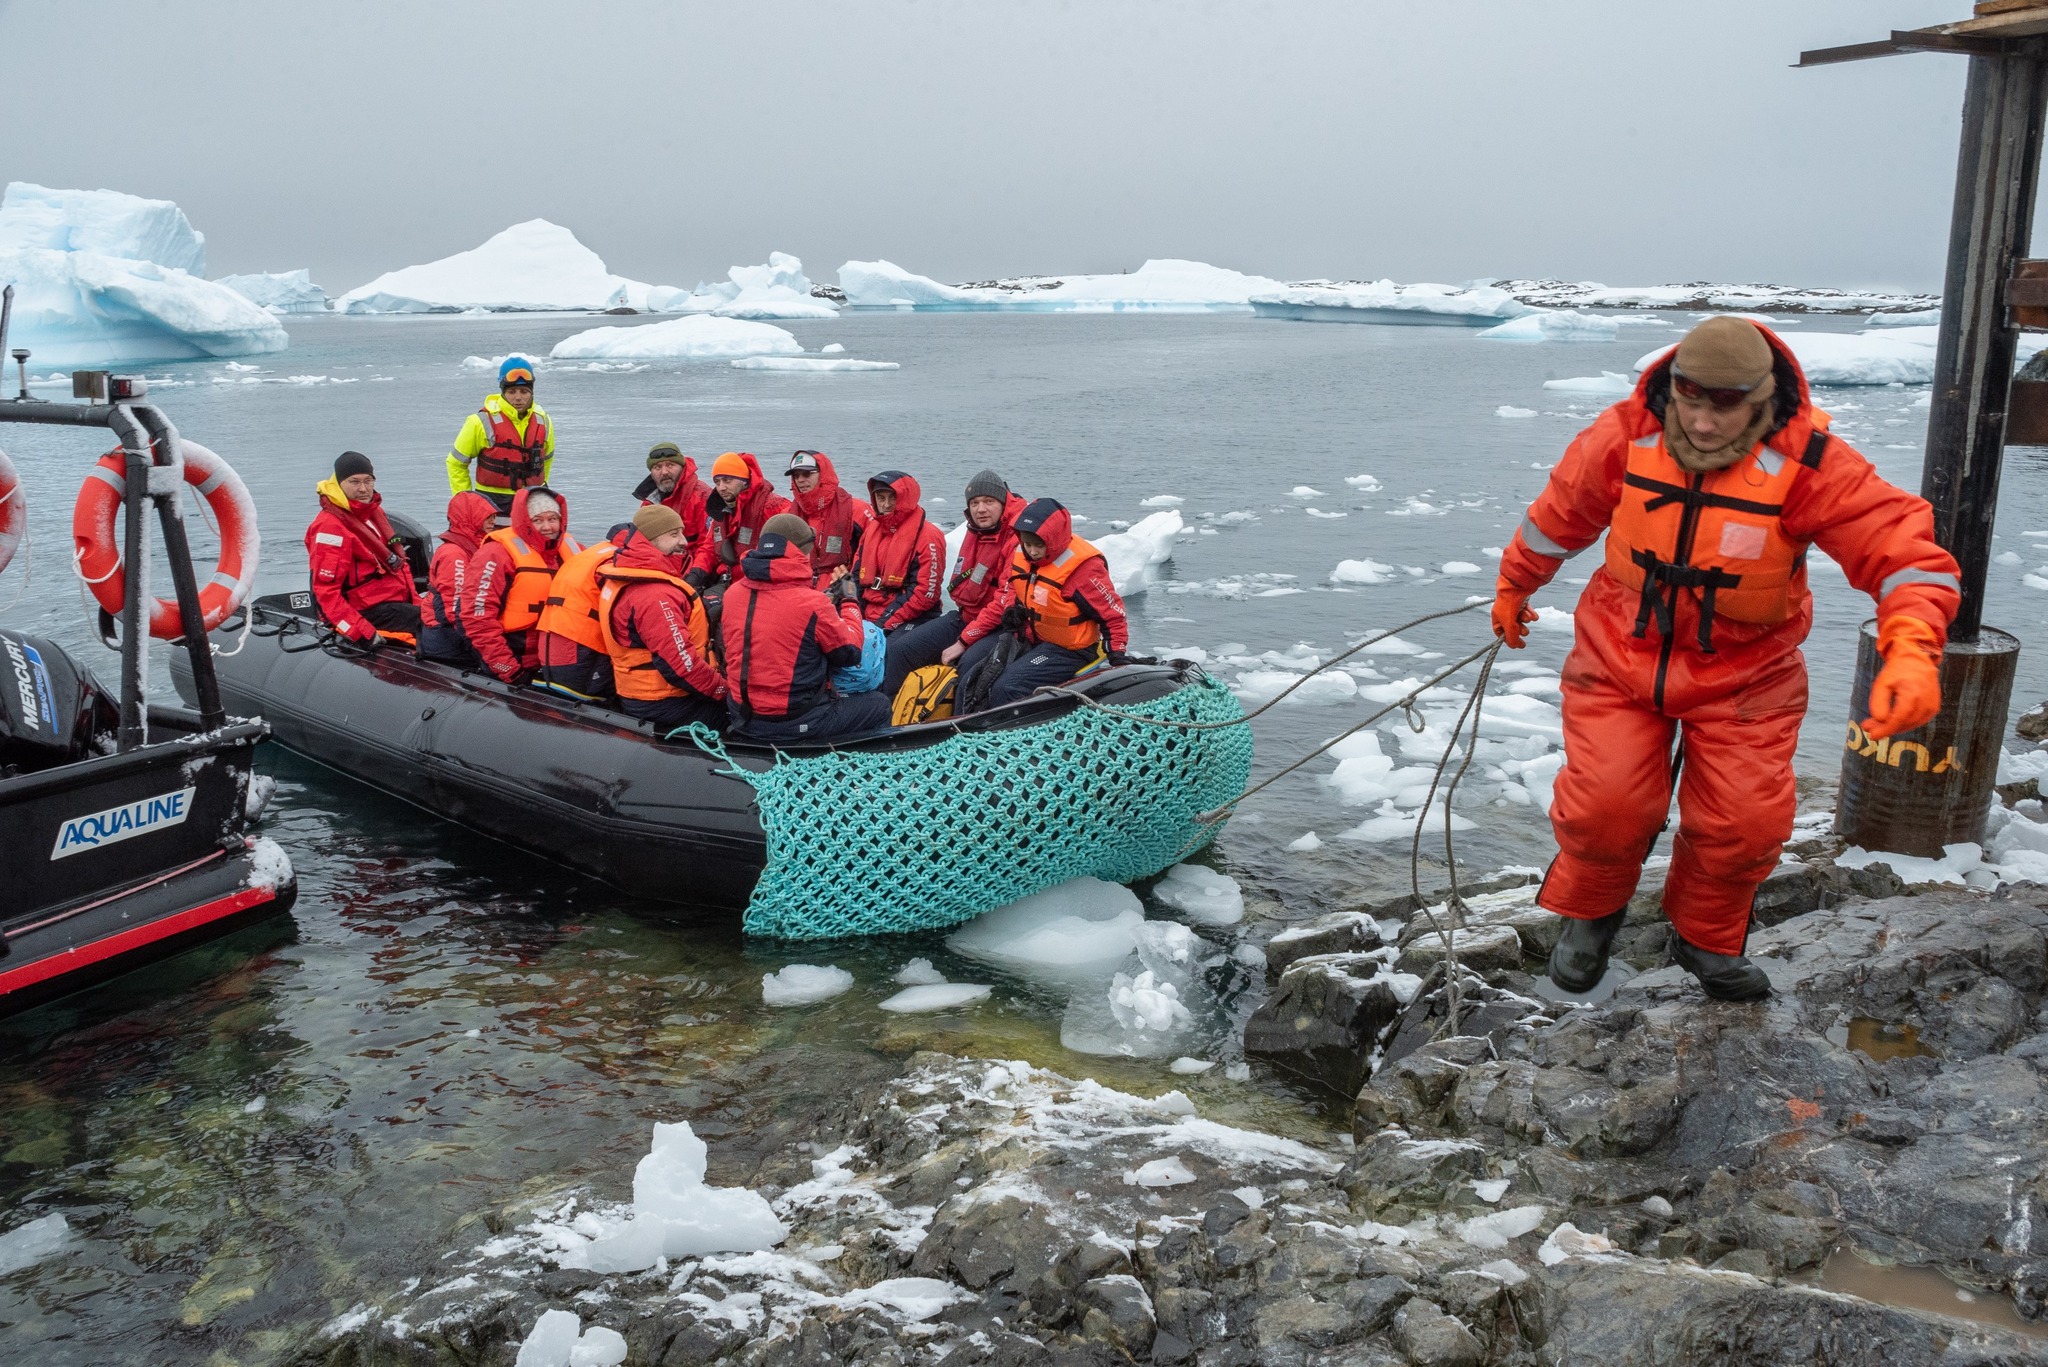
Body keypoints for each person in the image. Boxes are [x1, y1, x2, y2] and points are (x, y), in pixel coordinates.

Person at [1494, 317, 1960, 1002]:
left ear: (1762, 397)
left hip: (1747, 670)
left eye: (1727, 402)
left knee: (1745, 822)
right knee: (1606, 803)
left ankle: (1705, 936)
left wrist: (1914, 651)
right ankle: (1593, 911)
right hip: (1623, 648)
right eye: (1691, 397)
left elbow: (1905, 553)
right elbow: (1558, 515)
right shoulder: (1623, 436)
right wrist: (1515, 583)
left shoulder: (1811, 463)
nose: (1705, 422)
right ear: (1671, 386)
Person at [720, 513, 890, 741]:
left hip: (742, 716)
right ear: (800, 553)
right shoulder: (811, 604)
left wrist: (826, 597)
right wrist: (850, 600)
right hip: (794, 721)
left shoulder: (732, 594)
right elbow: (851, 652)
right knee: (879, 705)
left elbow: (779, 612)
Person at [955, 497, 1129, 707]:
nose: (1033, 551)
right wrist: (1012, 608)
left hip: (1069, 650)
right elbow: (1015, 587)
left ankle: (1008, 735)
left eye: (1039, 545)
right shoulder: (1022, 556)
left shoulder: (1083, 569)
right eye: (1027, 544)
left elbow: (1113, 615)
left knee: (1007, 687)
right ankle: (963, 728)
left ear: (1053, 539)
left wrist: (1117, 655)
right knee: (974, 676)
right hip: (1031, 638)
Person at [885, 469, 1024, 696]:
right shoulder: (977, 529)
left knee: (967, 666)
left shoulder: (1016, 539)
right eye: (975, 502)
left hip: (998, 627)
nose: (981, 509)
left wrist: (963, 641)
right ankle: (889, 718)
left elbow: (1003, 602)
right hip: (965, 617)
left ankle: (962, 724)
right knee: (900, 651)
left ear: (1003, 503)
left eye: (989, 501)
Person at [599, 504, 728, 731]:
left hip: (639, 693)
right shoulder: (655, 595)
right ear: (651, 539)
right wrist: (723, 691)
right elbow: (679, 666)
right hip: (662, 699)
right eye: (673, 534)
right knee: (737, 718)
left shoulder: (624, 576)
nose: (684, 542)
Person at [466, 487, 581, 684]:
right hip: (514, 661)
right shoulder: (496, 553)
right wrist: (508, 668)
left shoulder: (571, 548)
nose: (547, 527)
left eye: (552, 519)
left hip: (560, 661)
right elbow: (477, 619)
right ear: (525, 521)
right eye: (537, 520)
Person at [305, 451, 421, 645]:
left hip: (392, 602)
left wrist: (418, 602)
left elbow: (399, 567)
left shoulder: (372, 513)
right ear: (339, 484)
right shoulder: (330, 528)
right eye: (354, 482)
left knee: (445, 614)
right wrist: (361, 633)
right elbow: (326, 592)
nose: (363, 489)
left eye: (368, 481)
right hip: (367, 610)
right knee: (435, 624)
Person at [535, 525, 633, 700]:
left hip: (552, 641)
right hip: (581, 647)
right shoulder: (615, 560)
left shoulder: (595, 553)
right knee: (588, 700)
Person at [446, 357, 555, 511]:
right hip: (491, 505)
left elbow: (547, 460)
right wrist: (466, 502)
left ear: (532, 391)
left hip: (532, 502)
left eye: (524, 391)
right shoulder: (480, 421)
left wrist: (539, 489)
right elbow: (455, 463)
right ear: (503, 391)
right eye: (512, 391)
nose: (518, 397)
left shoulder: (544, 421)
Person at [854, 470, 946, 633]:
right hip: (870, 615)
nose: (886, 504)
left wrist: (884, 623)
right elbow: (855, 578)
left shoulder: (929, 536)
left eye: (893, 497)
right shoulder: (871, 531)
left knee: (891, 654)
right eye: (881, 498)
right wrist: (855, 617)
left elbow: (925, 593)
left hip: (912, 618)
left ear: (906, 498)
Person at [419, 491, 501, 668]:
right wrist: (485, 645)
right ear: (470, 518)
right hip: (444, 637)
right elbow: (452, 610)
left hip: (455, 631)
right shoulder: (454, 555)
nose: (493, 522)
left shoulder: (475, 546)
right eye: (487, 517)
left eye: (493, 517)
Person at [688, 451, 791, 589]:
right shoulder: (721, 510)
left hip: (759, 582)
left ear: (744, 481)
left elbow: (794, 544)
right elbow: (709, 548)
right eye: (717, 482)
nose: (721, 488)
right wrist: (695, 575)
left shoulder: (774, 506)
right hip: (726, 581)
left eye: (727, 480)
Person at [786, 449, 873, 578]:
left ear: (823, 474)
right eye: (796, 475)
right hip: (800, 587)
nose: (800, 480)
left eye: (806, 474)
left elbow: (874, 553)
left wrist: (852, 581)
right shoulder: (786, 516)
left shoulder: (857, 510)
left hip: (842, 588)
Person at [633, 441, 710, 549]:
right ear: (652, 473)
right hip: (661, 560)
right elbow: (641, 541)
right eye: (657, 467)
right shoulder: (650, 502)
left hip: (691, 560)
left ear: (682, 467)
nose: (664, 472)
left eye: (670, 465)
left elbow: (708, 545)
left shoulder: (702, 496)